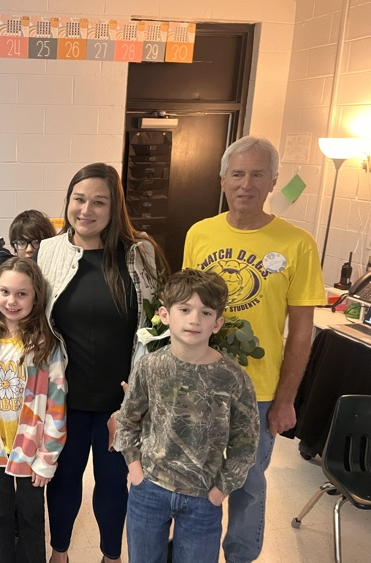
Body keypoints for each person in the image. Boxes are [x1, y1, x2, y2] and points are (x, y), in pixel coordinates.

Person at [182, 136, 325, 563]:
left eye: (257, 174)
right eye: (238, 174)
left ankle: (241, 557)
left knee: (247, 484)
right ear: (223, 179)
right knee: (193, 478)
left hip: (257, 393)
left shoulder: (297, 243)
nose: (247, 184)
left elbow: (301, 333)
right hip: (198, 384)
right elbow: (185, 311)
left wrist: (286, 399)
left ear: (273, 181)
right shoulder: (199, 233)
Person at [36, 163, 167, 563]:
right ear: (68, 202)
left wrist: (136, 401)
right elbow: (33, 319)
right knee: (63, 481)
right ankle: (59, 553)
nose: (86, 209)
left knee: (112, 485)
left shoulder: (141, 254)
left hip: (120, 402)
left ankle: (111, 556)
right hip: (66, 398)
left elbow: (157, 329)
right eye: (79, 199)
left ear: (114, 208)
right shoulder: (50, 251)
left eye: (99, 201)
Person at [110, 269, 259, 562]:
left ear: (217, 323)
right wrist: (135, 470)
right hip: (150, 488)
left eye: (205, 312)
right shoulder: (150, 367)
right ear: (165, 315)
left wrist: (221, 489)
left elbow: (246, 441)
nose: (194, 319)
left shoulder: (233, 378)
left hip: (204, 497)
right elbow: (127, 420)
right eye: (185, 309)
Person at [0, 257, 67, 563]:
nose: (11, 300)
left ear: (36, 297)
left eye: (22, 294)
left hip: (32, 452)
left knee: (32, 518)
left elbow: (56, 404)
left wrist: (47, 457)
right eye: (5, 292)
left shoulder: (45, 342)